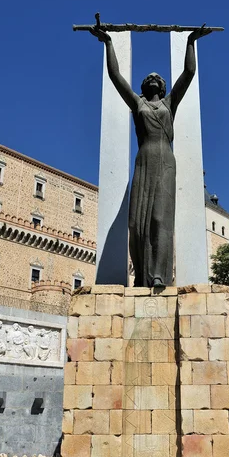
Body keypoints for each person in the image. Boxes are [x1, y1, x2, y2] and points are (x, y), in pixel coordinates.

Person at [90, 25, 211, 287]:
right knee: (137, 222)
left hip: (166, 161)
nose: (154, 77)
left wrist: (191, 41)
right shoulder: (138, 104)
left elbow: (189, 72)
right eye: (149, 77)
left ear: (163, 85)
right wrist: (108, 43)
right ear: (145, 87)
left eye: (158, 77)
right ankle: (142, 276)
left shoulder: (170, 103)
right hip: (143, 161)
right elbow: (115, 76)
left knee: (160, 219)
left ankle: (159, 275)